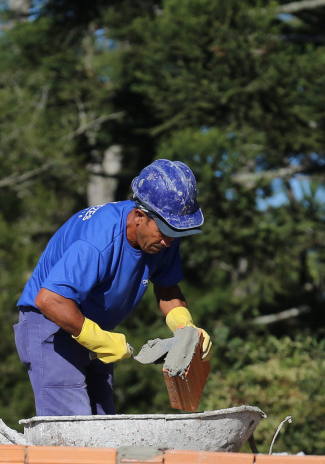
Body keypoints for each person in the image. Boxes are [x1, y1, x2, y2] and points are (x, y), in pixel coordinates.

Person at [13, 159, 213, 417]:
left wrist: (186, 328)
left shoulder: (163, 239)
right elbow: (50, 300)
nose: (168, 241)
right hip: (52, 324)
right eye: (164, 230)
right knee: (74, 427)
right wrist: (98, 339)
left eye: (176, 233)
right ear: (139, 216)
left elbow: (167, 289)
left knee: (104, 423)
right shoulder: (98, 240)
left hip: (90, 327)